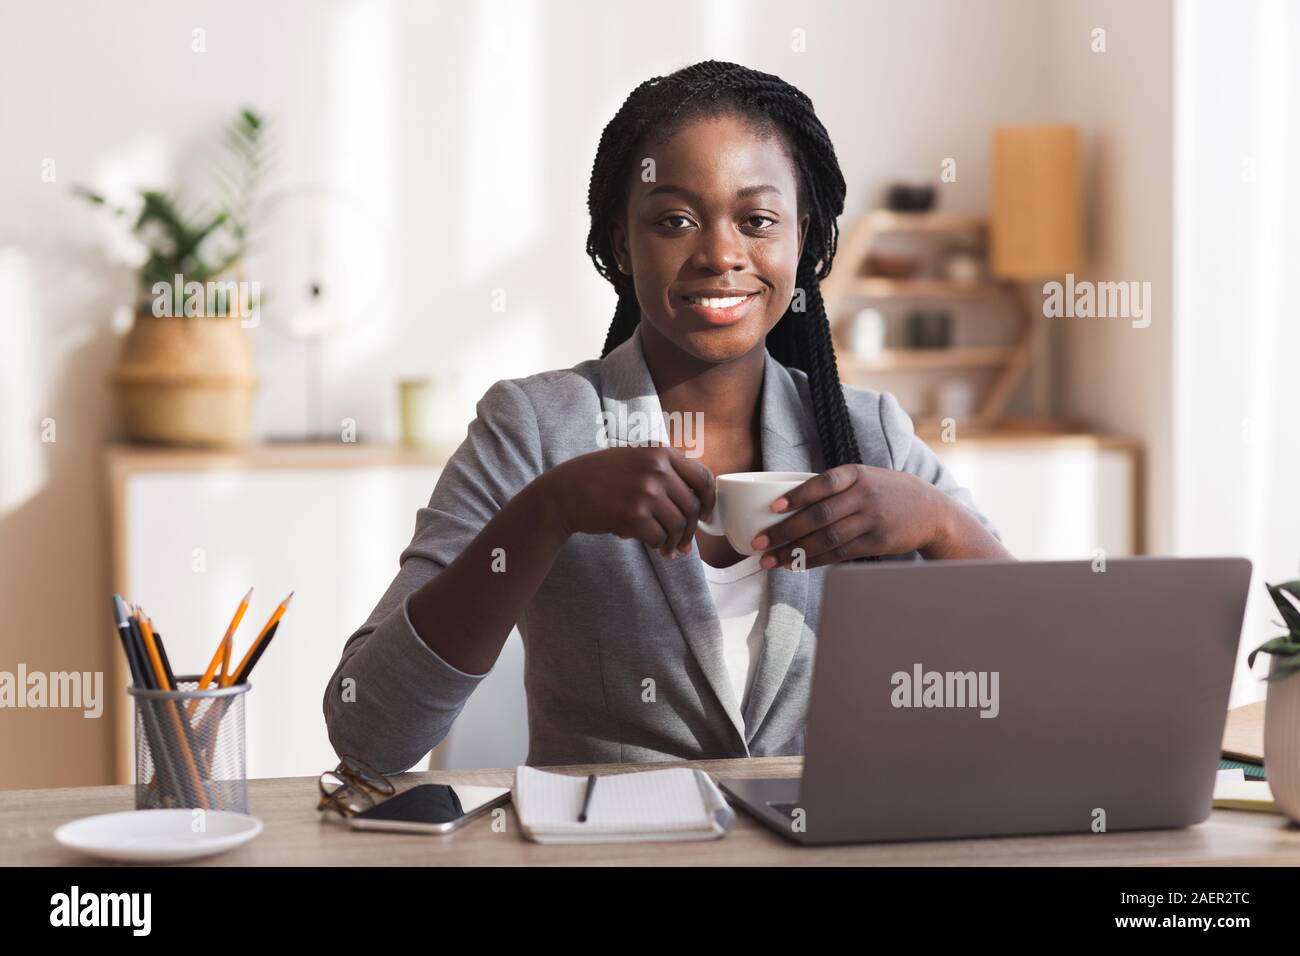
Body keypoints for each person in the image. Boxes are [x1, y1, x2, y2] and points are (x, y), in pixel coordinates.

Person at [323, 60, 1009, 774]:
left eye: (758, 220)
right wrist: (547, 511)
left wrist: (940, 524)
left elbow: (1037, 677)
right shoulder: (532, 426)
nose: (720, 253)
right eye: (675, 220)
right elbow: (368, 731)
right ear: (623, 242)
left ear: (801, 238)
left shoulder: (873, 436)